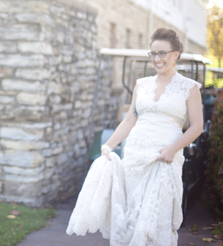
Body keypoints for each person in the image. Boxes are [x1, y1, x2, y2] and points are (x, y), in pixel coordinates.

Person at [67, 28, 203, 245]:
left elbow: (197, 127)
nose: (157, 59)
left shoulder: (189, 87)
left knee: (156, 219)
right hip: (135, 156)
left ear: (175, 54)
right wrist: (109, 146)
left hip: (164, 157)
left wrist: (172, 149)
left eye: (162, 53)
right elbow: (130, 120)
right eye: (153, 53)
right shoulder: (142, 84)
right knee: (133, 216)